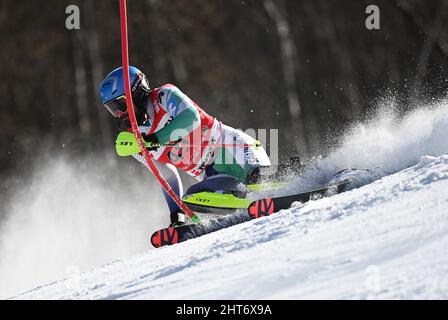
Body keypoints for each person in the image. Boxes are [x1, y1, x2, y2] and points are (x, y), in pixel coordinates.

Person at [99, 66, 271, 227]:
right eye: (112, 109)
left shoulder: (164, 96)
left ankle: (271, 186)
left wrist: (155, 138)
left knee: (256, 179)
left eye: (120, 105)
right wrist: (177, 215)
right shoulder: (136, 141)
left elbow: (191, 118)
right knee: (193, 197)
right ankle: (248, 202)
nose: (118, 114)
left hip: (231, 148)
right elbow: (168, 177)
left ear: (135, 93)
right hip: (211, 174)